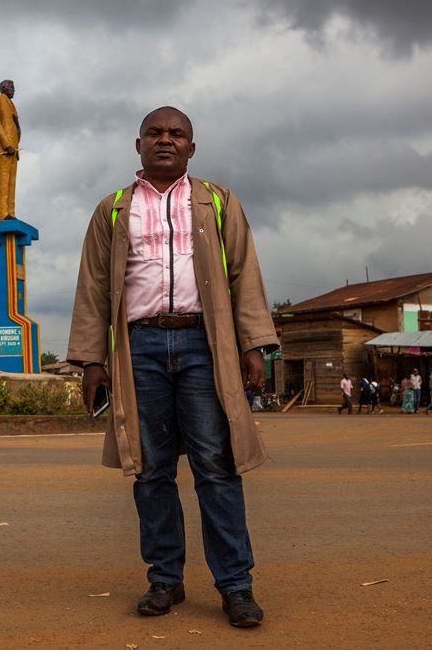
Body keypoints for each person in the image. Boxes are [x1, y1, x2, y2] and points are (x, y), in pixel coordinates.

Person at [66, 107, 277, 629]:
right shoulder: (113, 210)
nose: (165, 140)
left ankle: (235, 586)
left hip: (206, 346)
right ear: (137, 145)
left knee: (216, 466)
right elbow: (93, 288)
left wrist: (254, 345)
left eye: (176, 134)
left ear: (191, 148)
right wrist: (93, 359)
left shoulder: (218, 203)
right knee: (151, 468)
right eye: (155, 133)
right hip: (139, 349)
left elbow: (243, 274)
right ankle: (165, 578)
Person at [0, 79, 21, 220]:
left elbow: (15, 128)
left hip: (14, 151)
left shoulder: (13, 105)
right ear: (3, 88)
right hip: (2, 149)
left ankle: (11, 213)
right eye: (11, 87)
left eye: (14, 87)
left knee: (11, 185)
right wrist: (7, 144)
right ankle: (2, 214)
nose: (13, 90)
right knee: (2, 184)